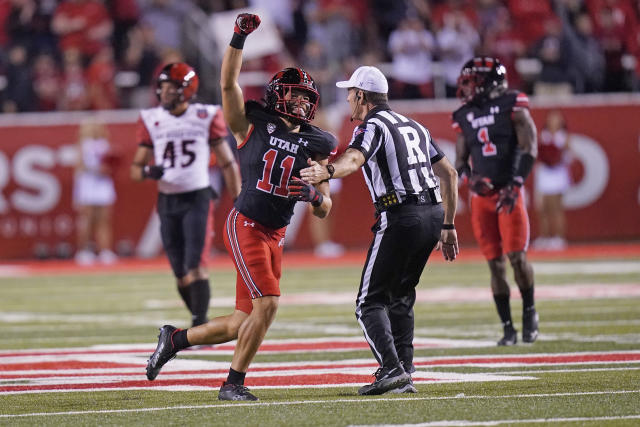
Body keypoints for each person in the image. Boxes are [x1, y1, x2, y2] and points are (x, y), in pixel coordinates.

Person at [145, 13, 337, 401]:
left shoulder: (316, 143)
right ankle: (233, 384)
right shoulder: (252, 124)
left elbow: (325, 207)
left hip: (276, 233)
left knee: (240, 322)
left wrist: (317, 196)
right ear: (277, 95)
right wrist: (237, 38)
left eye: (306, 97)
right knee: (267, 306)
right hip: (247, 222)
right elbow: (227, 82)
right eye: (294, 95)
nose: (300, 102)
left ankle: (175, 339)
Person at [300, 65, 459, 395]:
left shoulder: (372, 125)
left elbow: (355, 160)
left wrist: (326, 171)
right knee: (400, 297)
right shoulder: (414, 125)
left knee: (368, 302)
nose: (347, 100)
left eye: (350, 94)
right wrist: (448, 223)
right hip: (432, 213)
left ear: (362, 96)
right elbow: (450, 174)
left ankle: (391, 369)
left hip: (401, 213)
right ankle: (405, 370)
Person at [131, 62, 242, 327]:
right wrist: (148, 171)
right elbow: (135, 170)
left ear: (187, 90)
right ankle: (199, 321)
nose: (165, 93)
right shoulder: (152, 119)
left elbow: (227, 162)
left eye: (171, 88)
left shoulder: (205, 115)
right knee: (180, 272)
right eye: (163, 87)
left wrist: (239, 199)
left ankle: (199, 323)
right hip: (167, 199)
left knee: (196, 265)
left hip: (197, 198)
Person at [452, 57, 539, 346]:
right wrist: (470, 179)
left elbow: (530, 146)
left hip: (508, 193)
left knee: (517, 258)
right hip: (482, 198)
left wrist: (515, 185)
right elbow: (461, 161)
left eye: (471, 82)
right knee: (495, 264)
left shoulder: (512, 103)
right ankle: (507, 328)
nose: (466, 88)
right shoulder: (464, 113)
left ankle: (529, 311)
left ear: (490, 82)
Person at [73, 119, 118, 265]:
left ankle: (105, 250)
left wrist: (109, 167)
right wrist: (96, 170)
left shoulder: (105, 144)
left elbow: (111, 163)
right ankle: (84, 250)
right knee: (87, 219)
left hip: (102, 184)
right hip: (88, 183)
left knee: (104, 219)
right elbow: (79, 166)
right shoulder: (83, 145)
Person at [533, 110, 571, 251]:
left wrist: (556, 157)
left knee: (556, 208)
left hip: (557, 175)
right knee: (542, 208)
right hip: (544, 175)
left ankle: (559, 237)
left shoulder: (564, 137)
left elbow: (569, 156)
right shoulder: (543, 136)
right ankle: (545, 237)